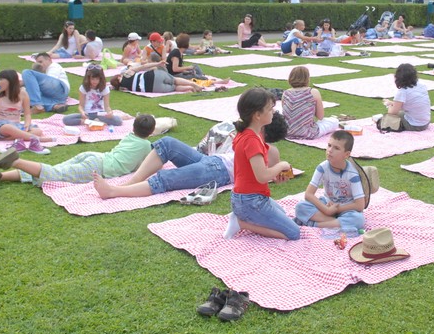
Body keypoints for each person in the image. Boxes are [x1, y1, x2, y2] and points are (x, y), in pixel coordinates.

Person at [91, 113, 288, 199]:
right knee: (167, 143)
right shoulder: (248, 136)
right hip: (213, 161)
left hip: (219, 172)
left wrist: (281, 167)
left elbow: (265, 176)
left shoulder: (270, 151)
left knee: (167, 178)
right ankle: (131, 182)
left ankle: (114, 192)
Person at [0, 114, 156, 186]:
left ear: (133, 128)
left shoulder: (128, 137)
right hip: (99, 167)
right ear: (151, 132)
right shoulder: (147, 146)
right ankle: (14, 161)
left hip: (94, 156)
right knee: (53, 174)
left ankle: (1, 176)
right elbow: (145, 166)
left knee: (54, 170)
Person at [224, 88, 299, 240]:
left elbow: (253, 172)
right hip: (251, 202)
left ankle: (242, 217)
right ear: (257, 115)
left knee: (283, 215)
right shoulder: (251, 139)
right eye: (270, 109)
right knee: (293, 233)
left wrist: (276, 176)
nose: (273, 112)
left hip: (246, 198)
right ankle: (241, 223)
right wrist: (281, 165)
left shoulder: (249, 133)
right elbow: (262, 176)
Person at [293, 130, 366, 232]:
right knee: (300, 207)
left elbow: (360, 205)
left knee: (358, 219)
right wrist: (326, 210)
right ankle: (335, 223)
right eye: (329, 145)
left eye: (336, 148)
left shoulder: (352, 174)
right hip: (326, 205)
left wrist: (337, 209)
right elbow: (308, 194)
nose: (330, 150)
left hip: (345, 208)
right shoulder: (322, 168)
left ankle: (315, 225)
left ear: (346, 154)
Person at [0, 69, 53, 152]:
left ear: (10, 81)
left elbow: (27, 114)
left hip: (16, 125)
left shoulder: (23, 94)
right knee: (7, 127)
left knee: (38, 131)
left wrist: (27, 124)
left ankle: (8, 138)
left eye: (1, 79)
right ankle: (37, 139)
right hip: (1, 126)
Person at [282, 66, 339, 139]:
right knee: (334, 121)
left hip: (287, 132)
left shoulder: (286, 93)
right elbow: (320, 116)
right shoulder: (313, 92)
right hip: (308, 133)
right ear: (307, 78)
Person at [110, 56, 203, 94]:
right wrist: (157, 64)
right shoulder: (126, 73)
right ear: (119, 77)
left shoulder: (123, 89)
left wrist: (113, 87)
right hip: (153, 76)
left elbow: (113, 87)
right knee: (174, 80)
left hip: (154, 88)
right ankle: (193, 84)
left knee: (174, 87)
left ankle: (189, 89)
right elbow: (144, 66)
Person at [382, 63, 430, 131]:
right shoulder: (422, 86)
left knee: (387, 118)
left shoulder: (403, 91)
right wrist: (393, 103)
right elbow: (411, 103)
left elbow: (392, 112)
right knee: (401, 113)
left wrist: (389, 105)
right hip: (425, 123)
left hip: (414, 125)